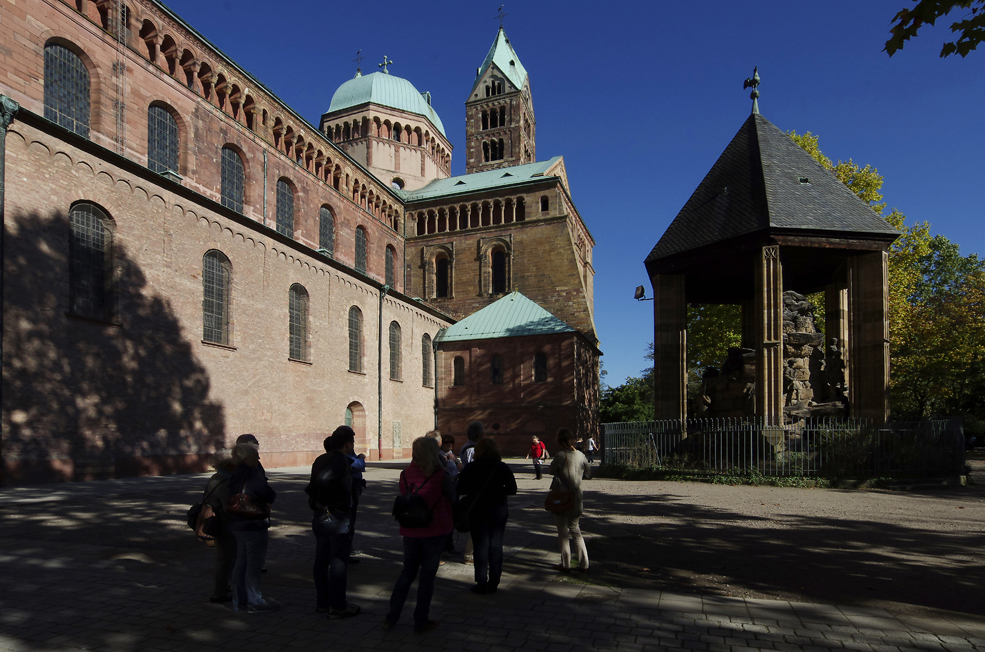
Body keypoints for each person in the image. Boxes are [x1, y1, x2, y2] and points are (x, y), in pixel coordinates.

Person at [382, 436, 454, 634]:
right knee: (427, 578)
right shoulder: (440, 475)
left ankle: (391, 617)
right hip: (435, 530)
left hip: (411, 530)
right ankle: (420, 621)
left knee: (407, 572)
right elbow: (453, 497)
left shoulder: (405, 474)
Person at [305, 426, 361, 619]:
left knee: (321, 560)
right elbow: (323, 481)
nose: (353, 446)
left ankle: (323, 602)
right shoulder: (339, 460)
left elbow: (315, 484)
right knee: (338, 561)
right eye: (352, 442)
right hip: (335, 516)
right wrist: (335, 504)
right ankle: (337, 606)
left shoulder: (322, 458)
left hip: (320, 515)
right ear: (347, 443)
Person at [456, 438, 517, 594]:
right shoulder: (501, 467)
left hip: (477, 510)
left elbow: (460, 489)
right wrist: (498, 491)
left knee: (480, 545)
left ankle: (481, 581)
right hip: (498, 509)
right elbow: (512, 489)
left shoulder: (471, 467)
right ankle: (495, 580)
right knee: (496, 545)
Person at [228, 443, 278, 613]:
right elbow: (269, 494)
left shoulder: (235, 474)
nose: (258, 458)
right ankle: (254, 601)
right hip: (253, 524)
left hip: (237, 524)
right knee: (254, 565)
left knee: (241, 562)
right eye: (255, 455)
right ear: (246, 458)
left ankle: (239, 600)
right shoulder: (252, 474)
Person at [548, 428, 592, 573]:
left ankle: (566, 563)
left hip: (561, 496)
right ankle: (584, 563)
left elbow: (551, 470)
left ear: (559, 441)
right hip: (577, 496)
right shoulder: (581, 455)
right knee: (575, 529)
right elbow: (589, 474)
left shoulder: (561, 455)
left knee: (562, 531)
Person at [204, 454, 237, 603]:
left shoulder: (216, 477)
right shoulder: (224, 481)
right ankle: (219, 592)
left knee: (223, 558)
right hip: (224, 524)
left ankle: (223, 587)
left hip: (220, 523)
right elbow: (228, 505)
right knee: (225, 559)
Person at [346, 442, 367, 563]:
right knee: (348, 522)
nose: (353, 444)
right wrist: (361, 458)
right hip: (349, 493)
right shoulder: (345, 456)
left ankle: (347, 549)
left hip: (352, 490)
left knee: (349, 521)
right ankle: (345, 552)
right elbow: (357, 466)